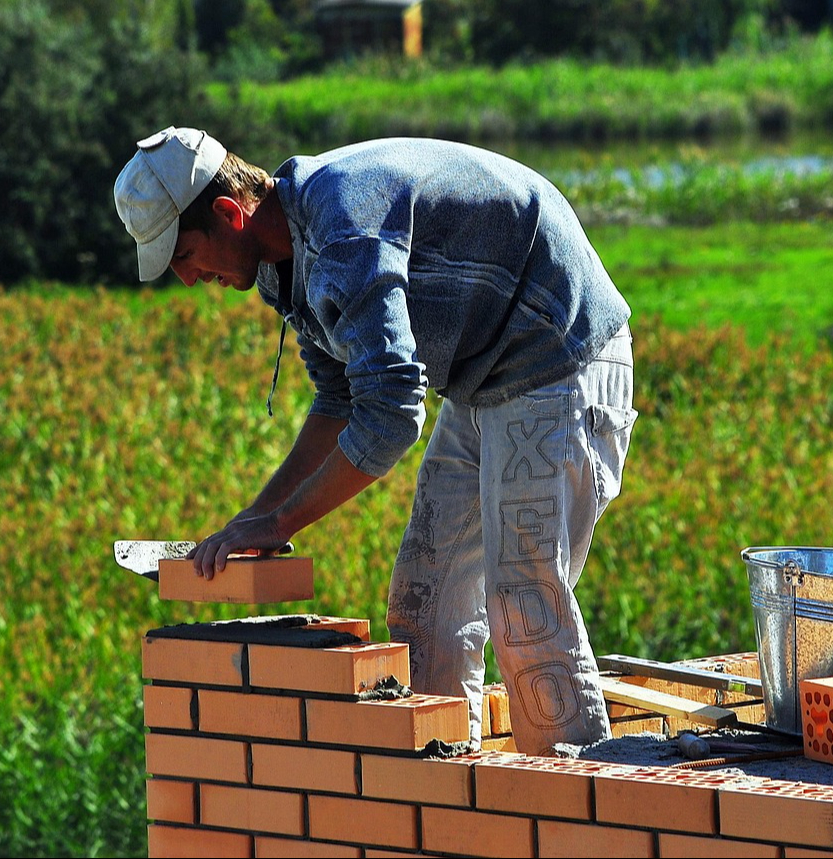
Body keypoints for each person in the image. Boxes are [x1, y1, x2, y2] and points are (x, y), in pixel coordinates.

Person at [114, 126, 638, 756]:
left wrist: (279, 521)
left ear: (230, 213)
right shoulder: (288, 266)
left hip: (555, 351)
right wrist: (252, 520)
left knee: (524, 603)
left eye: (184, 256)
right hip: (484, 375)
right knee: (425, 603)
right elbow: (341, 400)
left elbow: (391, 415)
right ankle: (448, 800)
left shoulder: (343, 227)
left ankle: (577, 814)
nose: (189, 279)